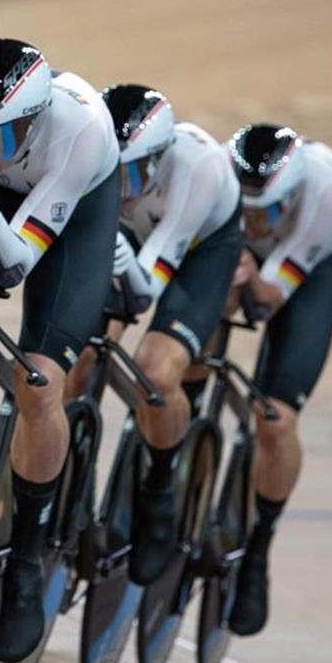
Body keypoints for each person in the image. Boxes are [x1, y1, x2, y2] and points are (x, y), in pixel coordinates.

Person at [0, 38, 121, 662]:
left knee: (39, 379)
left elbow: (18, 264)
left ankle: (29, 558)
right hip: (1, 204)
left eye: (2, 136)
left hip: (73, 215)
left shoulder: (78, 130)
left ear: (33, 123)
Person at [64, 84, 243, 586]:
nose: (123, 188)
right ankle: (71, 479)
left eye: (137, 172)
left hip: (197, 251)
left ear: (161, 157)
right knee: (73, 358)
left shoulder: (198, 167)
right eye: (114, 173)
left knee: (156, 372)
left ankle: (160, 488)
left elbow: (145, 291)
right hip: (126, 239)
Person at [223, 123, 332, 634]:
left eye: (268, 212)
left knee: (275, 420)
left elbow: (268, 299)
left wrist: (248, 274)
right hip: (231, 248)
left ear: (291, 194)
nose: (257, 225)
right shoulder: (219, 175)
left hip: (309, 261)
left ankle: (259, 549)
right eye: (248, 212)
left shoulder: (328, 192)